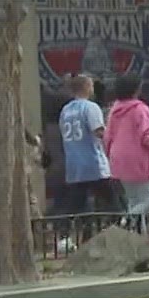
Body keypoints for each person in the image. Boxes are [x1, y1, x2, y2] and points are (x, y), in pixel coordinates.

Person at [103, 73, 149, 220]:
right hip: (139, 160)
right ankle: (125, 222)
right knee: (148, 200)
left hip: (118, 159)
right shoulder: (140, 109)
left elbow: (107, 136)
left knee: (133, 200)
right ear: (136, 89)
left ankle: (136, 237)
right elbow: (147, 138)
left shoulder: (114, 110)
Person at [56, 74, 116, 215]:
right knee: (112, 202)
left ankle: (71, 234)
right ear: (88, 87)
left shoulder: (65, 111)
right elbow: (98, 131)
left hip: (74, 165)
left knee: (77, 206)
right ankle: (118, 230)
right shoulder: (90, 107)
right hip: (93, 162)